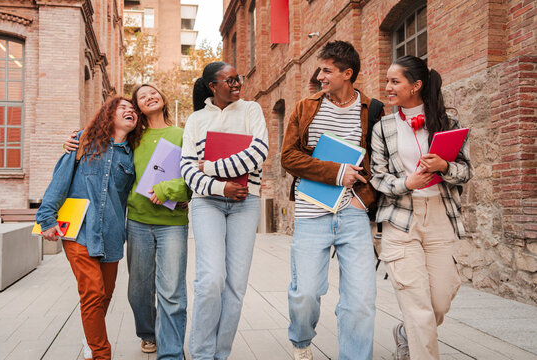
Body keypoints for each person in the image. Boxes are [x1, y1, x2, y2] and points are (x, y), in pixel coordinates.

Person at [64, 84, 191, 360]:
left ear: (163, 97)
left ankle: (170, 353)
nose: (149, 97)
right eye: (141, 97)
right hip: (136, 222)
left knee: (171, 291)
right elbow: (108, 159)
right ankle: (148, 334)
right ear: (139, 108)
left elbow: (192, 177)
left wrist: (177, 193)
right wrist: (76, 141)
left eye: (153, 92)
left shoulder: (183, 134)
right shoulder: (133, 139)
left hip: (172, 223)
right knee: (138, 291)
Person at [281, 41, 381, 360]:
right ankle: (301, 339)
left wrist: (363, 201)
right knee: (306, 293)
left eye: (327, 70)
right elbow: (288, 157)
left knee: (361, 301)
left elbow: (383, 163)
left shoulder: (373, 110)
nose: (320, 76)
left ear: (346, 74)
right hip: (312, 212)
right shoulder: (305, 108)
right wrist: (336, 173)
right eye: (320, 69)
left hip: (353, 213)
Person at [370, 55, 473, 360]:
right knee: (418, 308)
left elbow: (466, 172)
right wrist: (407, 184)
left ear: (415, 86)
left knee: (438, 302)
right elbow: (377, 177)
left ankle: (405, 333)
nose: (388, 87)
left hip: (440, 216)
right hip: (400, 220)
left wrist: (444, 166)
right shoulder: (383, 127)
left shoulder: (448, 123)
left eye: (394, 81)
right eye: (387, 81)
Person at [37, 96, 139, 360]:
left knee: (104, 295)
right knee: (92, 291)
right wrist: (46, 219)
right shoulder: (84, 142)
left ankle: (91, 338)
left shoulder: (132, 156)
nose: (130, 111)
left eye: (133, 110)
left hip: (113, 233)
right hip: (80, 229)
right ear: (109, 113)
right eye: (123, 108)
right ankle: (100, 354)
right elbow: (59, 180)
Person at [180, 61, 269, 360]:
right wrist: (222, 187)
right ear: (212, 87)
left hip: (246, 203)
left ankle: (221, 354)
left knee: (235, 285)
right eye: (228, 80)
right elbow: (187, 171)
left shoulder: (251, 110)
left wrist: (212, 167)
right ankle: (202, 354)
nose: (236, 84)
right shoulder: (195, 120)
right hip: (208, 204)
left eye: (238, 78)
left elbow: (259, 153)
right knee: (210, 279)